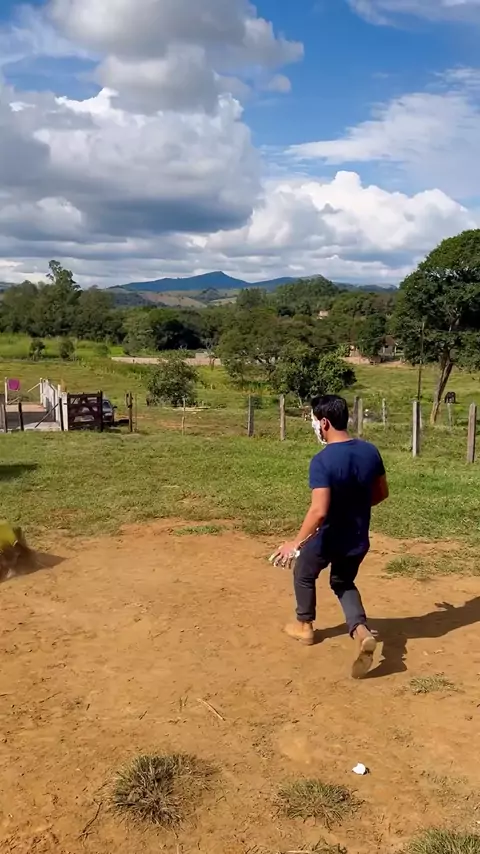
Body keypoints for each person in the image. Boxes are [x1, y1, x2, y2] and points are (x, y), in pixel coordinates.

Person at [270, 394, 389, 678]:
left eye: (313, 420)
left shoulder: (322, 461)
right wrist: (354, 508)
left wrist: (295, 543)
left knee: (303, 571)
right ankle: (361, 632)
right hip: (357, 537)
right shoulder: (370, 451)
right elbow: (381, 493)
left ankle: (304, 626)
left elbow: (319, 511)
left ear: (324, 422)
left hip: (328, 537)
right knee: (343, 582)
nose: (314, 426)